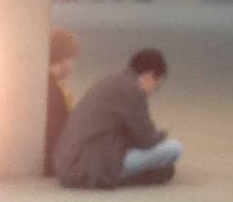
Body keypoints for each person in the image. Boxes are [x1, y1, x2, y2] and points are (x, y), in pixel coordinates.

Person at [54, 45, 180, 187]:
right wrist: (162, 134)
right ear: (150, 75)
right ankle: (132, 176)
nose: (153, 92)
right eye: (157, 86)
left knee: (160, 158)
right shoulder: (133, 90)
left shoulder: (113, 80)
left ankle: (144, 174)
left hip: (69, 163)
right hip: (89, 167)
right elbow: (146, 140)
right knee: (174, 148)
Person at [43, 25, 78, 179]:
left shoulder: (39, 87)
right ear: (65, 59)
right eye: (72, 59)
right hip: (55, 161)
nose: (73, 65)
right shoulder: (57, 92)